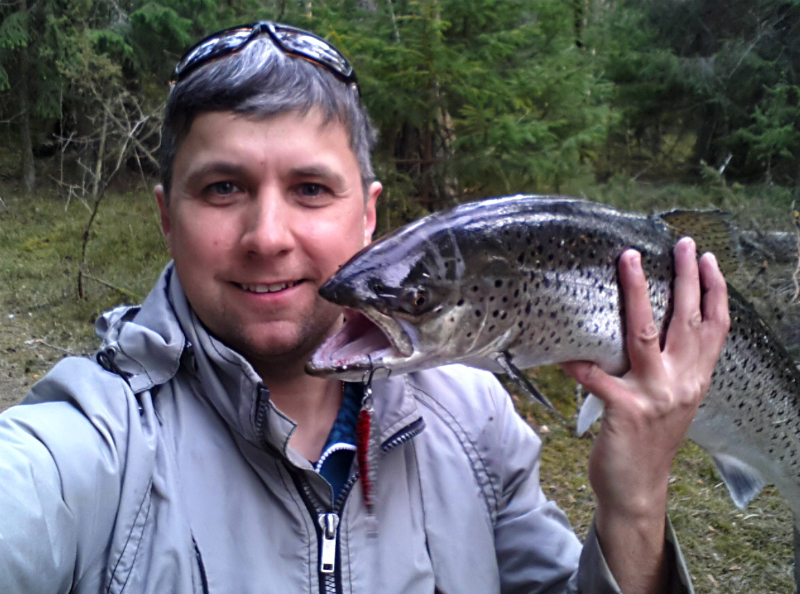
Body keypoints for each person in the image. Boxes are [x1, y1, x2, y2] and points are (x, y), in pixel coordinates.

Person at [0, 21, 730, 594]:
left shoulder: (480, 425)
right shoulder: (90, 445)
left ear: (369, 215)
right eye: (223, 188)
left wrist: (636, 504)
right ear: (167, 216)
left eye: (311, 189)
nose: (268, 237)